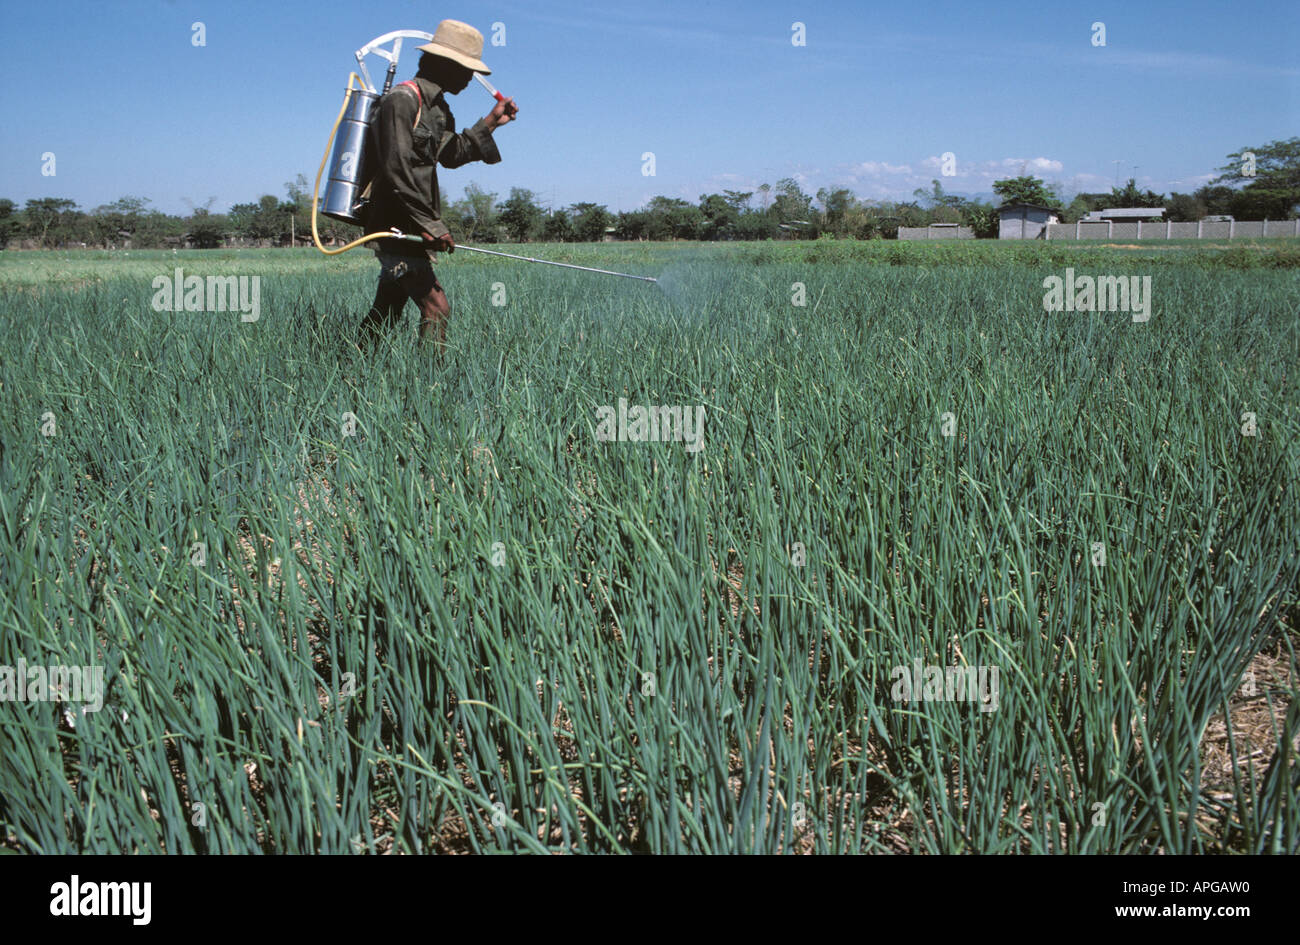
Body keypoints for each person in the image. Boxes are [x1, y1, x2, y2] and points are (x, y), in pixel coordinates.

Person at [359, 19, 518, 352]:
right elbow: (395, 169)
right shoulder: (402, 100)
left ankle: (352, 368)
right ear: (445, 64)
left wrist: (492, 121)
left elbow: (452, 154)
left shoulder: (438, 109)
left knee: (388, 310)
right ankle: (430, 389)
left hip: (410, 226)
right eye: (465, 69)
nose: (469, 78)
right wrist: (432, 225)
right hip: (396, 226)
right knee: (437, 308)